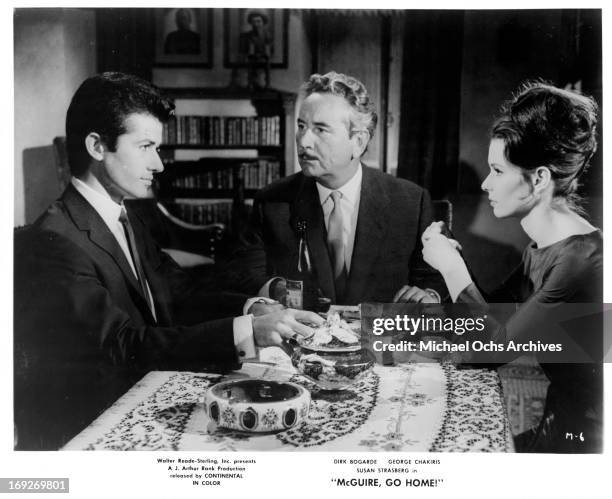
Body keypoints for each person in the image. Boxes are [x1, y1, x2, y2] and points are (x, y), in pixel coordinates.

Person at [13, 72, 322, 450]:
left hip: (140, 395)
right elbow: (123, 346)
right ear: (96, 146)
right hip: (92, 433)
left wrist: (253, 309)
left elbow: (181, 294)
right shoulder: (52, 242)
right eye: (145, 146)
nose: (158, 165)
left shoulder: (125, 215)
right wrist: (245, 332)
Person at [420, 82, 602, 453]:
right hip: (562, 418)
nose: (486, 184)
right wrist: (452, 261)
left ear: (539, 179)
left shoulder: (579, 261)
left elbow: (490, 351)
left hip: (592, 440)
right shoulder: (545, 249)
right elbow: (489, 326)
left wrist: (453, 269)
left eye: (498, 171)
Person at [225, 71, 443, 306]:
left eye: (320, 129)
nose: (304, 141)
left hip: (380, 336)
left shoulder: (410, 201)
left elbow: (438, 278)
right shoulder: (273, 201)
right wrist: (276, 289)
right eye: (301, 126)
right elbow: (242, 272)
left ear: (358, 142)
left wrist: (429, 295)